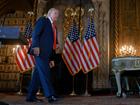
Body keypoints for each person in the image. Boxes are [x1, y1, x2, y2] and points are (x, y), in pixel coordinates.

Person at [26, 8, 59, 103]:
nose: (57, 15)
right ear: (50, 13)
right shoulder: (43, 20)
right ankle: (50, 95)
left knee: (37, 74)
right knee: (45, 73)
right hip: (39, 52)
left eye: (58, 14)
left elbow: (53, 43)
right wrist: (35, 47)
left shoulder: (54, 27)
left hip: (47, 54)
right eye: (56, 13)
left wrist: (52, 57)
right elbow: (35, 33)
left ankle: (30, 96)